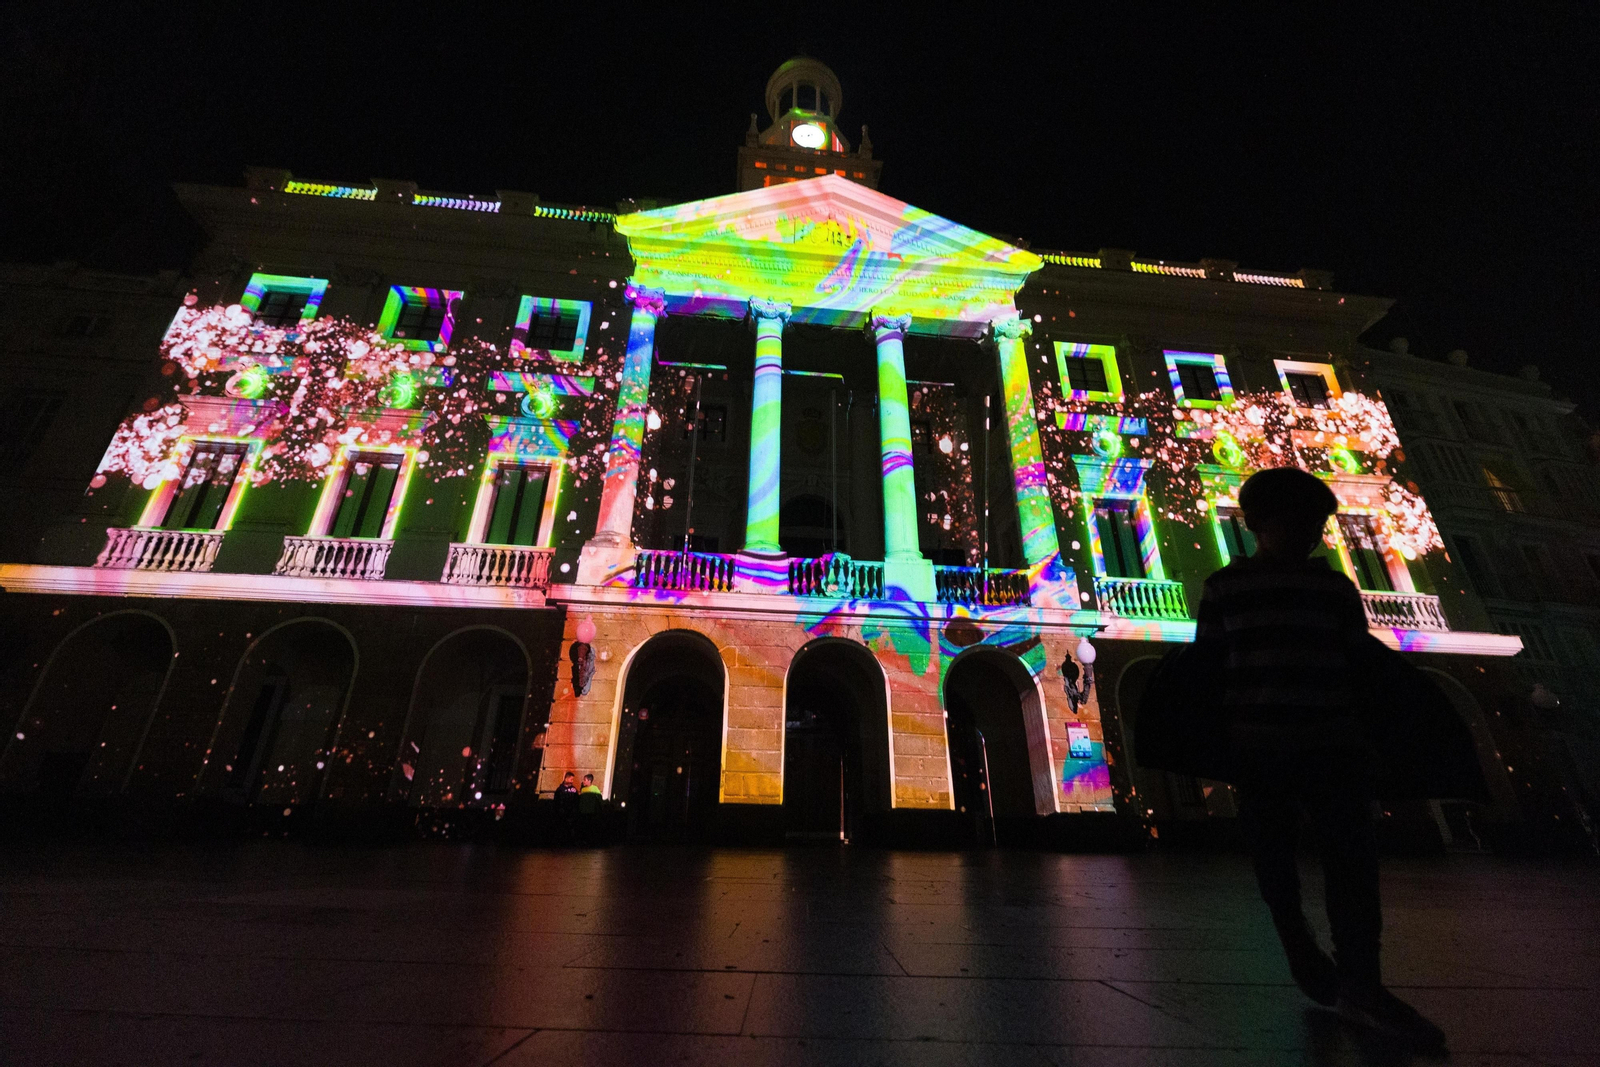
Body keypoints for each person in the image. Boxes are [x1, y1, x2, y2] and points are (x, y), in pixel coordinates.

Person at [1195, 466, 1446, 1054]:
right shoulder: (1224, 589)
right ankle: (1298, 939)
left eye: (1318, 525)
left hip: (1332, 748)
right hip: (1263, 750)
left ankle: (1362, 980)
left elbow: (1357, 665)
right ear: (1255, 523)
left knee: (1352, 863)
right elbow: (1208, 672)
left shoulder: (1335, 589)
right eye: (1298, 522)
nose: (1309, 535)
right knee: (1277, 859)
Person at [576, 772, 604, 843]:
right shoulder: (583, 790)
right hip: (583, 811)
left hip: (591, 811)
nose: (583, 781)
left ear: (589, 781)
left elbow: (599, 798)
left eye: (585, 780)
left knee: (590, 826)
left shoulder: (595, 788)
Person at [553, 771, 578, 843]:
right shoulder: (560, 789)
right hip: (562, 812)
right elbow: (557, 800)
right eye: (571, 779)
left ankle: (570, 841)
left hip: (571, 812)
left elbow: (576, 800)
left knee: (571, 827)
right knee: (562, 827)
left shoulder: (573, 789)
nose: (572, 781)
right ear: (566, 779)